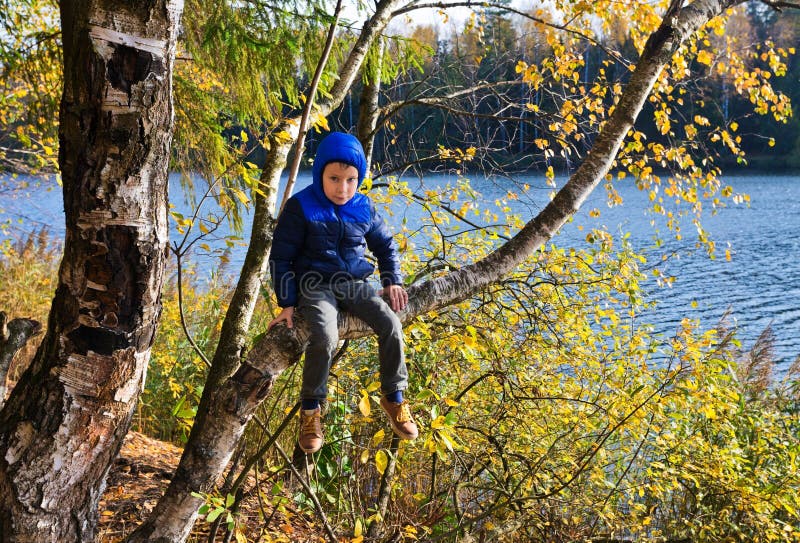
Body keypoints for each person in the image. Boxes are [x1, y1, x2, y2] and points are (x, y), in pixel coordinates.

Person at [268, 131, 418, 454]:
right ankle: (311, 410)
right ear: (321, 172)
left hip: (354, 283)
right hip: (314, 284)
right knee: (325, 336)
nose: (343, 188)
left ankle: (394, 398)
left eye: (351, 180)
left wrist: (392, 279)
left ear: (358, 179)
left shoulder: (363, 207)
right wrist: (287, 303)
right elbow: (281, 256)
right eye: (334, 178)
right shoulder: (302, 207)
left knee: (391, 324)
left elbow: (386, 245)